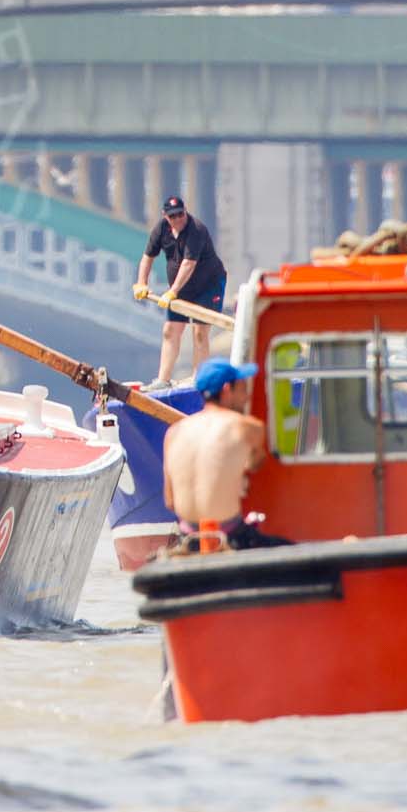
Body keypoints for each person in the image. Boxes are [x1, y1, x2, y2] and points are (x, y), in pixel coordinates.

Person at [164, 359, 287, 551]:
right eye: (243, 388)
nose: (247, 396)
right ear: (227, 389)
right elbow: (257, 466)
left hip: (188, 541)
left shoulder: (174, 433)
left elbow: (170, 502)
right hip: (231, 537)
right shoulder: (247, 427)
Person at [135, 194, 228, 387]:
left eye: (180, 214)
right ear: (165, 216)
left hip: (208, 286)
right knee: (170, 330)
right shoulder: (161, 229)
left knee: (199, 332)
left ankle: (198, 379)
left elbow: (188, 264)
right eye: (173, 216)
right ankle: (163, 379)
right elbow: (148, 257)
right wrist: (141, 282)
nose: (178, 219)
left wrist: (173, 291)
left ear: (185, 211)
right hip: (182, 289)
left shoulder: (197, 230)